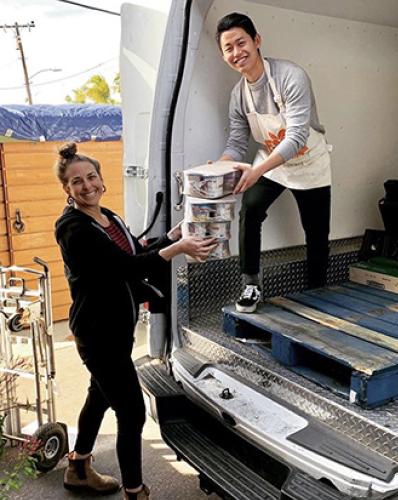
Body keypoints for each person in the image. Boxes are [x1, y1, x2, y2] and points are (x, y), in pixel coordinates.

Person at [54, 142, 216, 500]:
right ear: (66, 190)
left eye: (91, 176)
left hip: (116, 329)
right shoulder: (73, 228)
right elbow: (124, 268)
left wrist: (172, 236)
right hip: (98, 335)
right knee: (131, 412)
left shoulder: (107, 217)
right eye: (76, 181)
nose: (87, 185)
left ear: (101, 180)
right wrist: (178, 249)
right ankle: (135, 492)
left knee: (99, 395)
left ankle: (79, 467)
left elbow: (133, 252)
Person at [215, 12, 332, 313]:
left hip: (308, 162)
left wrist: (256, 171)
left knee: (316, 232)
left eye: (241, 43)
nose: (236, 52)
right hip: (273, 164)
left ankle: (316, 293)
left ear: (257, 41)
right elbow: (237, 143)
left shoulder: (290, 76)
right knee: (250, 210)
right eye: (228, 48)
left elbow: (295, 138)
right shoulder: (238, 95)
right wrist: (217, 168)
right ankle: (250, 285)